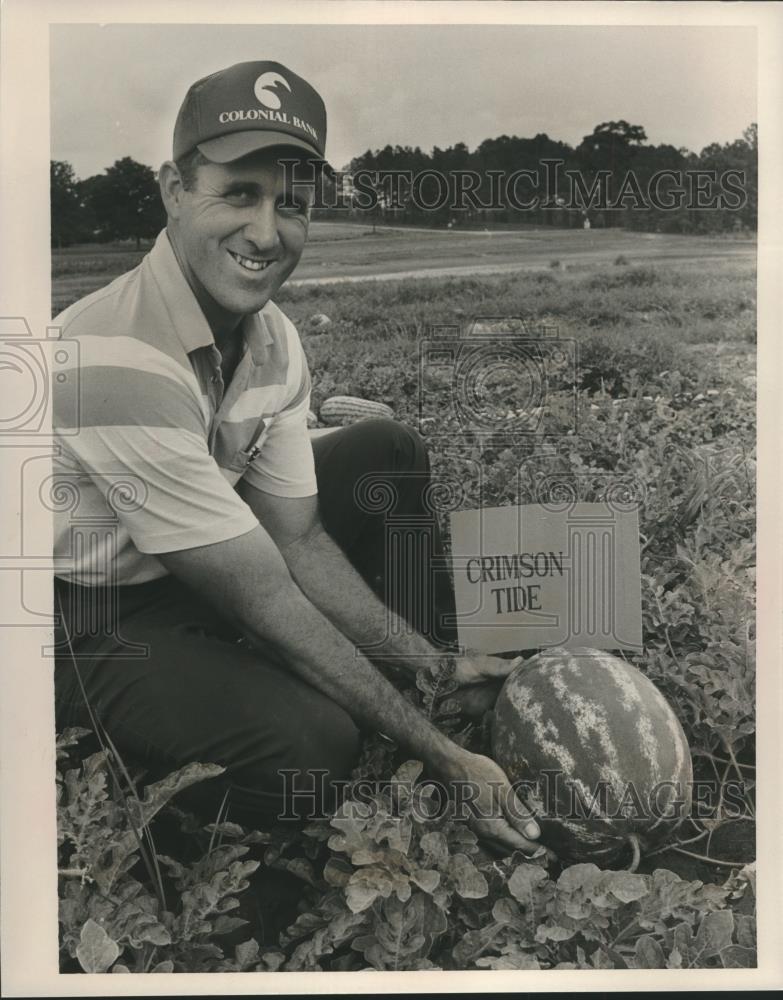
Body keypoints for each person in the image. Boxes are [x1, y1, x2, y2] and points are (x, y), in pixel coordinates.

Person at [52, 60, 544, 858]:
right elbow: (260, 593)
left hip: (191, 570)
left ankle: (425, 691)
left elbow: (297, 539)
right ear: (174, 189)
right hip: (80, 618)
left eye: (293, 205)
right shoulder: (111, 358)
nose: (266, 231)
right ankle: (142, 805)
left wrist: (432, 665)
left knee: (383, 450)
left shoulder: (274, 339)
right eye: (238, 193)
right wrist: (440, 756)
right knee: (311, 744)